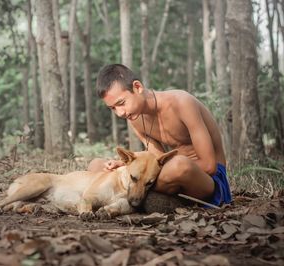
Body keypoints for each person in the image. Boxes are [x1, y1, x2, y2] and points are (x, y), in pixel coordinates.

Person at [88, 64, 232, 207]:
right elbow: (156, 159)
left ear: (137, 87)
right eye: (113, 108)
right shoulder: (135, 119)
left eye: (121, 103)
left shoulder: (182, 102)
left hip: (208, 180)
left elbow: (209, 165)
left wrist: (139, 173)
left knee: (178, 165)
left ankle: (132, 197)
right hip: (167, 178)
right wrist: (129, 166)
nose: (120, 113)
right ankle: (159, 201)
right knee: (97, 165)